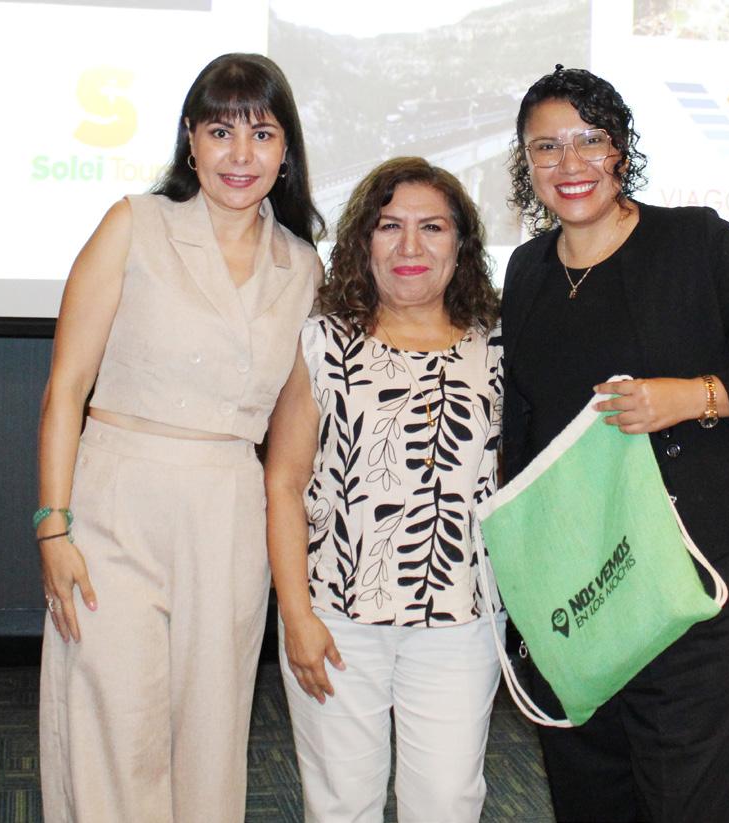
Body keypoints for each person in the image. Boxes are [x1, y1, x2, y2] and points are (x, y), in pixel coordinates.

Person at [501, 66, 729, 823]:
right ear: (527, 163)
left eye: (589, 140)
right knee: (589, 793)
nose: (570, 162)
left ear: (621, 148)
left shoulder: (693, 242)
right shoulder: (526, 270)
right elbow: (526, 422)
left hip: (691, 577)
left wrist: (693, 397)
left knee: (685, 799)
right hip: (579, 587)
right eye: (546, 147)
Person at [36, 53, 324, 822]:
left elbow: (296, 432)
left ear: (286, 151)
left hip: (228, 516)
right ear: (190, 141)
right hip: (116, 507)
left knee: (210, 730)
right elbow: (65, 388)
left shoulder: (302, 267)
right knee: (112, 720)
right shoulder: (135, 224)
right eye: (220, 131)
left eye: (261, 133)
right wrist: (52, 526)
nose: (240, 153)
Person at [266, 157, 505, 822]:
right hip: (335, 616)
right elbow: (283, 483)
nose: (410, 246)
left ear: (461, 243)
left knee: (447, 801)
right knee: (342, 803)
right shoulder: (323, 340)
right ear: (363, 241)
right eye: (389, 225)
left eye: (432, 227)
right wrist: (296, 616)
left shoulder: (498, 346)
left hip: (462, 619)